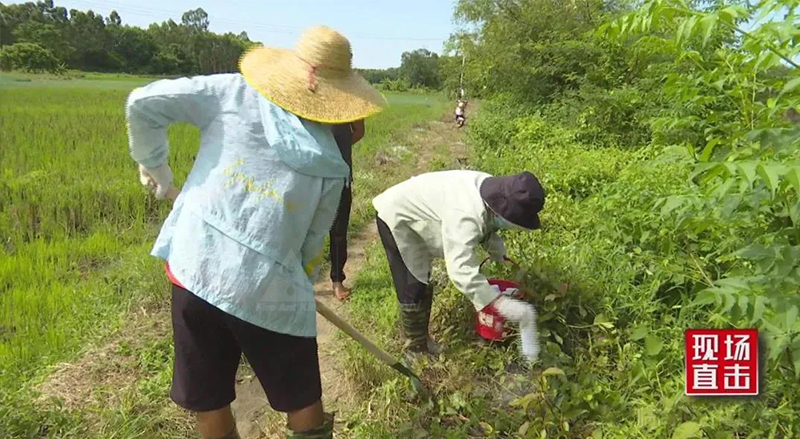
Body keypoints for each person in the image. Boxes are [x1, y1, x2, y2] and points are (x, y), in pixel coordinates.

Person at [127, 26, 386, 439]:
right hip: (270, 286)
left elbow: (143, 101)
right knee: (301, 398)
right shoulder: (333, 164)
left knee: (210, 397)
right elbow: (309, 247)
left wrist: (155, 166)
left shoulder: (230, 93)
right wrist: (292, 279)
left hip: (195, 268)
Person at [371, 170, 544, 361]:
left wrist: (500, 255)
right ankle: (415, 351)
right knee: (413, 282)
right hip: (396, 216)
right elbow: (460, 270)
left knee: (423, 278)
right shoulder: (465, 215)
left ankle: (423, 341)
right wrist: (499, 303)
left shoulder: (491, 192)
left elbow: (487, 226)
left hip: (418, 208)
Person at [329, 119, 365, 301]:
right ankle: (299, 280)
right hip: (309, 171)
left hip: (340, 172)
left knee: (338, 229)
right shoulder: (311, 93)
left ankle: (337, 280)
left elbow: (359, 131)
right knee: (302, 228)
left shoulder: (351, 96)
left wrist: (335, 149)